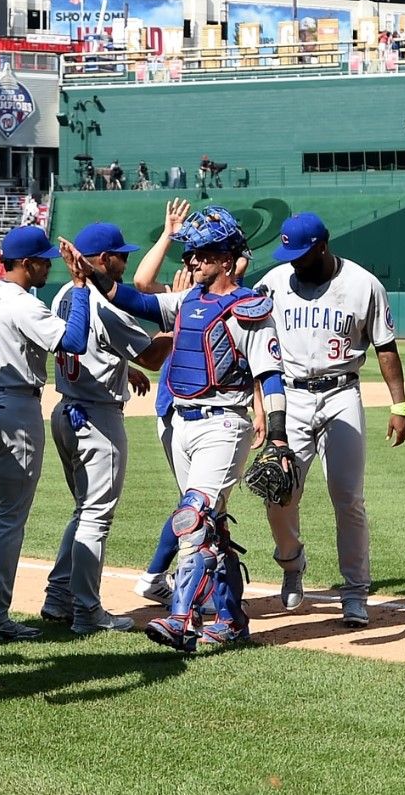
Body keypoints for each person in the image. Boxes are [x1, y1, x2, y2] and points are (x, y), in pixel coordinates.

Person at [92, 206, 293, 652]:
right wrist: (91, 275)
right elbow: (134, 300)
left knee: (193, 516)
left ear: (226, 259)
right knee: (213, 526)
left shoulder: (249, 309)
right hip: (181, 422)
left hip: (224, 423)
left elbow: (270, 375)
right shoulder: (186, 301)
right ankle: (232, 620)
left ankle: (181, 618)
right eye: (191, 254)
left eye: (201, 254)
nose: (192, 261)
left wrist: (277, 434)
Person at [254, 213, 405, 628]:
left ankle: (355, 592)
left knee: (348, 498)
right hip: (288, 397)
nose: (293, 261)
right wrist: (259, 407)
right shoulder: (272, 283)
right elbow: (253, 343)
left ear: (322, 246)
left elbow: (386, 346)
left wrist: (400, 405)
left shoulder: (363, 284)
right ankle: (292, 563)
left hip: (342, 393)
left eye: (300, 253)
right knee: (279, 491)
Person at [0, 226, 91, 641]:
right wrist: (81, 287)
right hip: (14, 408)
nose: (48, 265)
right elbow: (74, 340)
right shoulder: (22, 303)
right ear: (27, 263)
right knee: (10, 517)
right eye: (43, 260)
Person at [38, 223, 170, 634]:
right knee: (96, 516)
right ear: (101, 260)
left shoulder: (65, 294)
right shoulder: (104, 304)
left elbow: (89, 345)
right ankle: (88, 612)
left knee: (84, 512)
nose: (126, 261)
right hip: (96, 416)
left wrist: (120, 366)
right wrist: (178, 326)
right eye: (120, 255)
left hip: (65, 409)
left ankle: (58, 597)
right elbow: (151, 355)